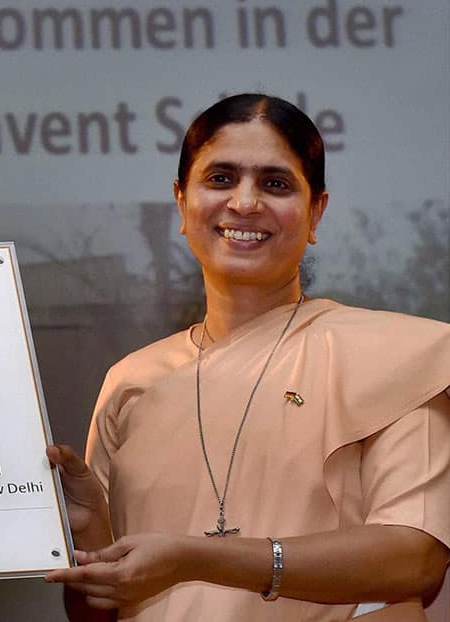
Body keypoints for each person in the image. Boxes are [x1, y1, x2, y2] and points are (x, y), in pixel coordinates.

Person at [45, 93, 450, 621]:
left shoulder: (401, 360)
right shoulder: (131, 381)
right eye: (220, 179)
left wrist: (197, 558)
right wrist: (91, 535)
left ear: (315, 211)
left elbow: (415, 558)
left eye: (275, 184)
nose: (244, 203)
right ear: (181, 203)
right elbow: (96, 611)